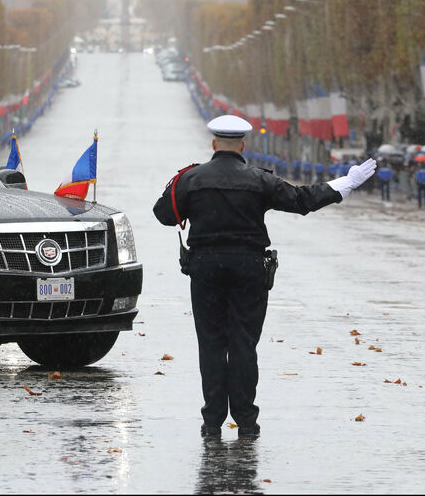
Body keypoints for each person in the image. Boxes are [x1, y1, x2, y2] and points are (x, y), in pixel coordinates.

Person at [153, 115, 375, 439]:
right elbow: (303, 201)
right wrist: (345, 184)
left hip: (206, 267)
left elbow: (163, 214)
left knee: (212, 344)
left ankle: (212, 423)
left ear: (214, 145)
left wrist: (184, 191)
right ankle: (246, 422)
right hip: (248, 269)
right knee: (244, 344)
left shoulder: (191, 179)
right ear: (243, 146)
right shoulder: (259, 180)